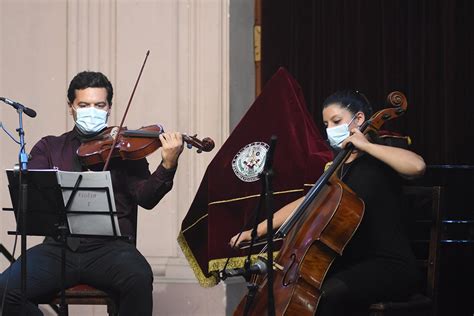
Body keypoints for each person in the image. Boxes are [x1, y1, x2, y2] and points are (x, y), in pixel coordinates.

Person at [0, 71, 184, 315]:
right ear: (71, 107)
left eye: (99, 105)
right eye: (84, 105)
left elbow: (146, 198)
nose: (92, 111)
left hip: (111, 249)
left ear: (109, 107)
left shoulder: (123, 147)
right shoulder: (49, 146)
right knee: (6, 289)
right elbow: (34, 189)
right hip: (59, 247)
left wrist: (168, 165)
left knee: (139, 278)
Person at [230, 90, 426, 315]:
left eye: (336, 121)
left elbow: (417, 166)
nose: (331, 129)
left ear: (359, 120)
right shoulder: (339, 167)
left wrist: (367, 146)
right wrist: (255, 231)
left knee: (323, 297)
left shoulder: (381, 156)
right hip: (351, 264)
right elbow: (306, 201)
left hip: (390, 266)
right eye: (326, 124)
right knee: (292, 293)